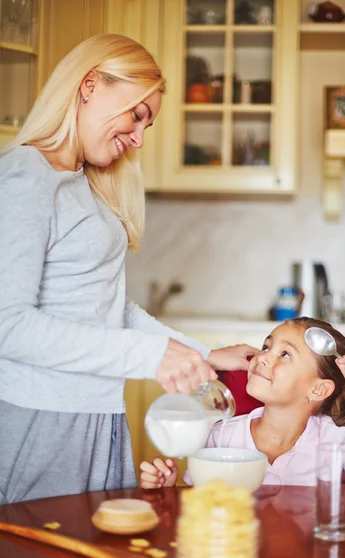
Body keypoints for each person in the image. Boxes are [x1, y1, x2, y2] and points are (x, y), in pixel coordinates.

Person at [0, 33, 257, 504]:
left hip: (96, 414)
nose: (139, 138)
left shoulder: (81, 184)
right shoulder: (25, 177)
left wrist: (203, 353)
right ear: (90, 85)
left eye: (147, 125)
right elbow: (8, 324)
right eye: (137, 115)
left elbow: (109, 310)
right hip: (44, 420)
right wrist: (149, 356)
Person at [140, 317, 345, 497]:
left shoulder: (335, 442)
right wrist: (167, 490)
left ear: (318, 390)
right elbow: (197, 506)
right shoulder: (221, 436)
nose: (263, 357)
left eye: (285, 354)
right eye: (266, 346)